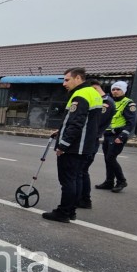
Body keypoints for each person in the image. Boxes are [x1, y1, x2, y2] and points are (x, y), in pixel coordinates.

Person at [42, 68, 103, 223]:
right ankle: (70, 211)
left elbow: (76, 123)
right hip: (86, 145)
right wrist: (61, 130)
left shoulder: (80, 95)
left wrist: (63, 145)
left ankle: (63, 212)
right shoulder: (93, 93)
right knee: (75, 179)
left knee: (68, 180)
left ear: (78, 78)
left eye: (67, 80)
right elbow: (85, 122)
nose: (64, 84)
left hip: (75, 146)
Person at [77, 80, 116, 209]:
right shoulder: (103, 101)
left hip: (91, 140)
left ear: (94, 88)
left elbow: (95, 123)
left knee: (82, 170)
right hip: (90, 140)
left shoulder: (105, 103)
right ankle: (81, 198)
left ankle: (84, 200)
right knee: (81, 171)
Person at [95, 81, 137, 193]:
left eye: (118, 89)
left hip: (118, 135)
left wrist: (122, 136)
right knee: (107, 159)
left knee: (110, 158)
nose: (115, 91)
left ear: (123, 91)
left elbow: (131, 122)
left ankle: (121, 181)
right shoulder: (110, 101)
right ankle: (109, 182)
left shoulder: (128, 103)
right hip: (108, 134)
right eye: (113, 89)